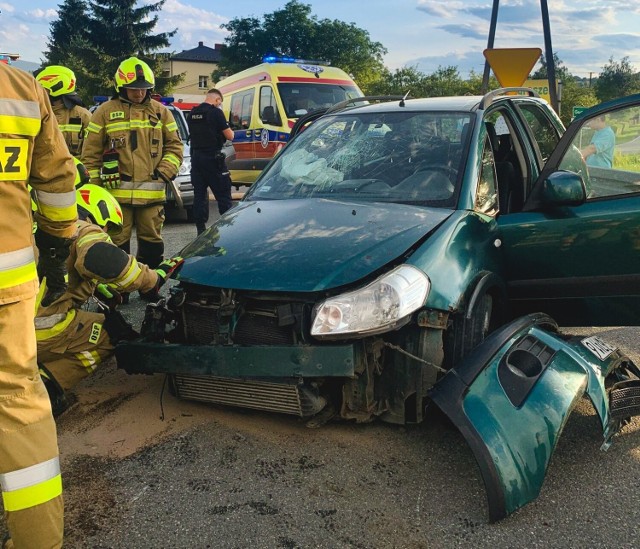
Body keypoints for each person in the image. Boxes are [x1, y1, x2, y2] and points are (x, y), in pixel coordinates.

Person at [0, 62, 78, 549]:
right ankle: (38, 543)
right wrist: (56, 247)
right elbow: (56, 180)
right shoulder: (18, 85)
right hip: (7, 283)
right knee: (18, 405)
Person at [35, 184, 184, 415]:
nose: (104, 231)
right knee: (109, 335)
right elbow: (99, 258)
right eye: (106, 226)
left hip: (9, 325)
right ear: (97, 211)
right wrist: (152, 278)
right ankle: (46, 386)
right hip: (36, 333)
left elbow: (53, 273)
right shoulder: (82, 228)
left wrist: (95, 287)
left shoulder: (35, 226)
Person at [81, 56, 183, 282]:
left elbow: (175, 146)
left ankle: (151, 286)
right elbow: (90, 154)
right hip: (115, 196)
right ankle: (119, 289)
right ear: (121, 87)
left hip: (152, 195)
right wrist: (96, 192)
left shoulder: (161, 112)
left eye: (143, 89)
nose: (138, 93)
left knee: (152, 242)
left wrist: (165, 170)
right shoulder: (104, 111)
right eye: (133, 89)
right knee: (117, 243)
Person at [187, 88, 235, 235]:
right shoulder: (216, 112)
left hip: (196, 159)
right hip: (213, 159)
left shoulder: (192, 113)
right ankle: (227, 228)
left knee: (199, 195)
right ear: (217, 100)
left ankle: (200, 229)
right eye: (220, 102)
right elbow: (230, 135)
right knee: (223, 194)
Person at [36, 65, 92, 157]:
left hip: (73, 170)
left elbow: (92, 153)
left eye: (43, 88)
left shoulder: (83, 116)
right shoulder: (36, 114)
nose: (38, 92)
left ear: (56, 87)